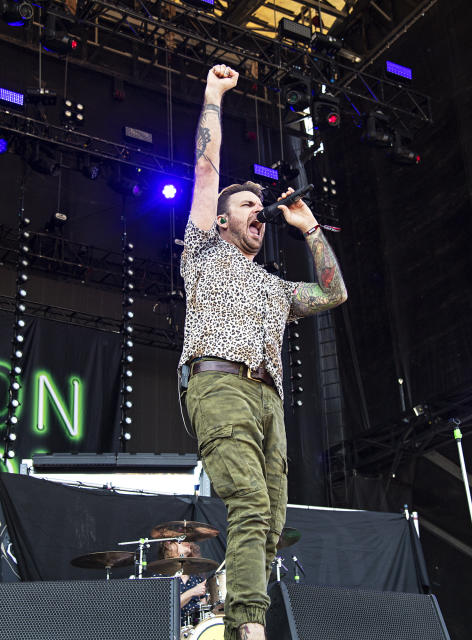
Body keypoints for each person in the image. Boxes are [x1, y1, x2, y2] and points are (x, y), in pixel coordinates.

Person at [179, 64, 348, 640]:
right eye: (248, 206)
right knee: (250, 503)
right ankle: (250, 629)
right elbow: (206, 169)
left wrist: (308, 228)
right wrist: (213, 97)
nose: (259, 213)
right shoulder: (202, 251)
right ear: (224, 220)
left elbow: (333, 292)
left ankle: (221, 596)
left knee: (271, 522)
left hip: (268, 401)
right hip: (218, 384)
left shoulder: (273, 287)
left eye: (261, 206)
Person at [158, 540, 208, 625]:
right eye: (181, 539)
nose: (187, 541)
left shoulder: (196, 578)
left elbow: (203, 610)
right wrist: (192, 592)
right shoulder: (161, 577)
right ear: (168, 545)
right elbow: (164, 610)